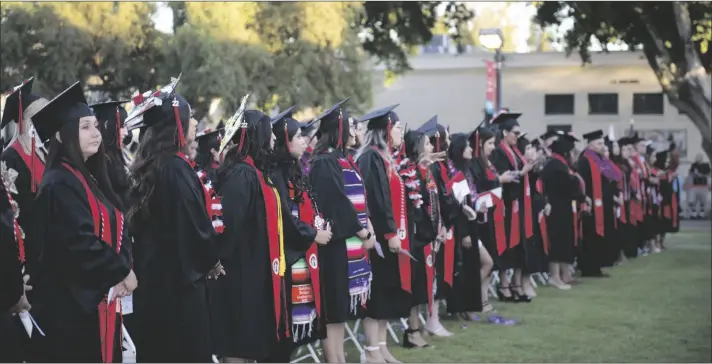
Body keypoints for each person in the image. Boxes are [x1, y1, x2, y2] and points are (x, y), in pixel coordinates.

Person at [29, 81, 135, 362]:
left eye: (96, 126)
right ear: (62, 137)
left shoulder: (86, 177)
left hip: (94, 301)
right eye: (85, 126)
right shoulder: (59, 183)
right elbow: (79, 242)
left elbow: (117, 221)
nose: (96, 133)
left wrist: (123, 266)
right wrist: (121, 270)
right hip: (69, 309)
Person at [126, 79, 222, 363]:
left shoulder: (151, 164)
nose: (194, 123)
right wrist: (211, 261)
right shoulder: (176, 168)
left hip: (154, 283)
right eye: (190, 117)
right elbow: (193, 225)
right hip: (179, 289)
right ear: (177, 125)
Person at [210, 105, 315, 362]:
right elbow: (229, 225)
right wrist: (216, 259)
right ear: (257, 135)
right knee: (238, 342)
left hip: (255, 271)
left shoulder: (255, 172)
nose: (275, 138)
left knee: (250, 341)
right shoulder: (242, 175)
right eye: (270, 132)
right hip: (239, 273)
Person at [308, 99, 376, 363]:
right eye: (350, 126)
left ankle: (339, 358)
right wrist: (362, 232)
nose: (355, 131)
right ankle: (333, 359)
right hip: (334, 245)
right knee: (333, 306)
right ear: (338, 130)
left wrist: (366, 224)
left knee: (339, 308)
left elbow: (357, 199)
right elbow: (337, 203)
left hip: (347, 244)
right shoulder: (325, 162)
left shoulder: (343, 160)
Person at [270, 105, 333, 358]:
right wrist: (312, 234)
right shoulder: (275, 174)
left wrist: (319, 224)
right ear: (285, 142)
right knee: (285, 328)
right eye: (298, 136)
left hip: (303, 253)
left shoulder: (294, 170)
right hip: (287, 257)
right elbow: (283, 217)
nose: (305, 139)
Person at [356, 104, 411, 363]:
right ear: (387, 129)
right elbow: (377, 200)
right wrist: (389, 232)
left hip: (387, 236)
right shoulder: (370, 157)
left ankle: (382, 347)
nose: (402, 132)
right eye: (399, 127)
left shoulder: (383, 156)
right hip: (376, 239)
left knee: (386, 291)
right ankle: (370, 352)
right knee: (376, 294)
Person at [0, 78, 48, 363]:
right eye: (38, 116)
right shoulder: (9, 158)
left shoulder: (44, 154)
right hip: (27, 258)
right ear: (23, 120)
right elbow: (12, 217)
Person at [468, 124, 518, 322]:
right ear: (480, 144)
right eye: (489, 143)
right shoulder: (475, 165)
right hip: (481, 219)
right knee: (485, 263)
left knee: (491, 263)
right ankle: (472, 299)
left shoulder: (489, 162)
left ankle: (483, 298)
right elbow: (478, 190)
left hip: (493, 218)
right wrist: (500, 180)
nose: (492, 147)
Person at [398, 129, 440, 348]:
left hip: (426, 237)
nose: (432, 148)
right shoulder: (408, 172)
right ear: (416, 147)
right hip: (414, 238)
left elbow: (433, 201)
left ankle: (418, 329)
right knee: (415, 288)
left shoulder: (424, 170)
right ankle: (412, 332)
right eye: (427, 144)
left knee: (422, 287)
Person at [488, 112, 534, 302]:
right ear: (505, 133)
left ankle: (515, 284)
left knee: (517, 245)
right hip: (506, 204)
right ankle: (505, 285)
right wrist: (523, 171)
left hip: (518, 203)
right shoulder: (499, 152)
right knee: (507, 244)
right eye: (515, 132)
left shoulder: (514, 151)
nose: (517, 136)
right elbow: (502, 176)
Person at [420, 117, 458, 336]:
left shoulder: (436, 168)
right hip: (428, 231)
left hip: (438, 228)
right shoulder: (427, 169)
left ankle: (432, 320)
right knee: (429, 275)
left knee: (434, 273)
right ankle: (430, 321)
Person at [540, 131, 588, 288]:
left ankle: (566, 275)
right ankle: (555, 276)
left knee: (566, 241)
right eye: (572, 152)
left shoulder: (561, 164)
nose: (574, 155)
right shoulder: (555, 165)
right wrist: (581, 195)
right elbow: (569, 185)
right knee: (557, 242)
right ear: (566, 152)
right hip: (556, 209)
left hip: (565, 208)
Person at [577, 129, 616, 277]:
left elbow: (613, 176)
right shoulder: (584, 160)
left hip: (602, 203)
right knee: (589, 236)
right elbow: (582, 182)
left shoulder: (599, 159)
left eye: (603, 143)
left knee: (598, 237)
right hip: (591, 204)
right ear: (591, 144)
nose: (602, 146)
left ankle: (596, 266)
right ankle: (588, 268)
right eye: (599, 143)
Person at [687, 154, 710, 219]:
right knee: (693, 200)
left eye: (699, 158)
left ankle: (702, 214)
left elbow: (709, 174)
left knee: (703, 201)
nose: (697, 159)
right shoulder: (693, 165)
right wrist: (694, 174)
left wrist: (702, 175)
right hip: (695, 185)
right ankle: (693, 214)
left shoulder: (706, 165)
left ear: (702, 158)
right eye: (697, 158)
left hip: (703, 186)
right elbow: (690, 173)